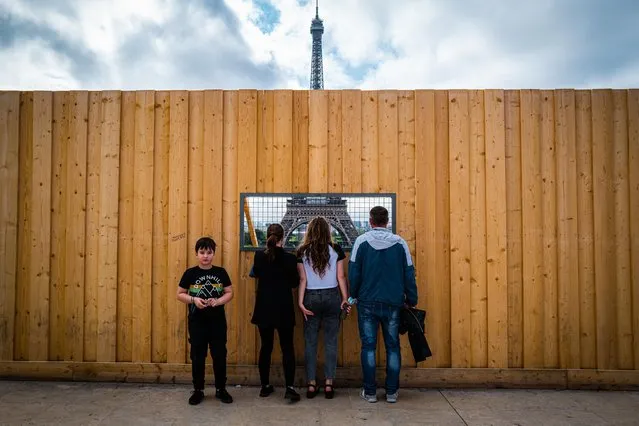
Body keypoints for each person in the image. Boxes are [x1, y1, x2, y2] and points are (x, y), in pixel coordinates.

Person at [348, 206, 417, 404]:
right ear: (387, 221)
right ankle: (392, 392)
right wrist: (411, 299)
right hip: (393, 302)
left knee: (368, 347)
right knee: (393, 347)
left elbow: (354, 273)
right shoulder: (400, 243)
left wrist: (353, 296)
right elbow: (409, 274)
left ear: (371, 221)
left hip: (367, 302)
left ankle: (370, 392)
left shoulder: (361, 242)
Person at [177, 236, 234, 405]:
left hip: (217, 322)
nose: (205, 256)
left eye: (209, 252)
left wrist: (218, 301)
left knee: (219, 355)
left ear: (214, 254)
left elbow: (229, 292)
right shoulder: (190, 273)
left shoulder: (221, 272)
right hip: (197, 322)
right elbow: (179, 294)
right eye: (202, 252)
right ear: (196, 254)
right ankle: (198, 390)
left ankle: (220, 389)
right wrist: (194, 300)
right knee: (198, 356)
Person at [297, 217, 350, 399]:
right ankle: (329, 383)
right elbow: (341, 277)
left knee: (310, 343)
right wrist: (345, 299)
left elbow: (302, 280)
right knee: (331, 342)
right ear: (328, 231)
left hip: (310, 296)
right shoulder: (336, 249)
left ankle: (311, 384)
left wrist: (300, 302)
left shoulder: (302, 251)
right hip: (332, 296)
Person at [250, 223, 301, 402]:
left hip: (264, 308)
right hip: (284, 308)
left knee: (266, 347)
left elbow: (256, 273)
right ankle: (289, 388)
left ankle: (264, 387)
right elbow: (295, 283)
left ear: (267, 236)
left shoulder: (258, 256)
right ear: (283, 237)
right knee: (287, 348)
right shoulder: (290, 259)